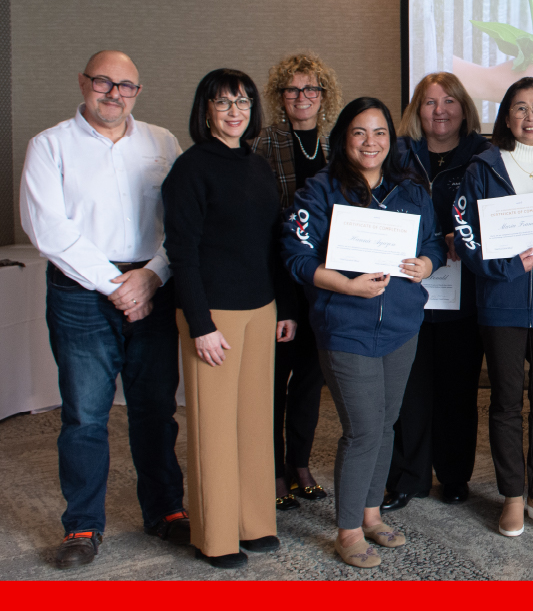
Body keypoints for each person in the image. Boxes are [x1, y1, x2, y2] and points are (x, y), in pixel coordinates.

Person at [19, 50, 189, 569]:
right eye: (103, 82)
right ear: (83, 83)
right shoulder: (50, 146)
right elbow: (48, 228)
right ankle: (83, 525)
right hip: (80, 294)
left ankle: (166, 512)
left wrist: (152, 276)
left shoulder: (162, 142)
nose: (114, 94)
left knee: (155, 410)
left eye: (126, 86)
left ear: (138, 91)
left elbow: (183, 220)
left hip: (153, 287)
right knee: (85, 415)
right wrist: (116, 284)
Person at [282, 97, 445, 568]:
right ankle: (349, 529)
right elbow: (296, 256)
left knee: (386, 423)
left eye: (379, 133)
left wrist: (427, 262)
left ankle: (372, 515)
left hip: (400, 326)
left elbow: (433, 240)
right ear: (343, 139)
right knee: (362, 429)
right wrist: (346, 286)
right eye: (359, 132)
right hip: (345, 327)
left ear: (390, 141)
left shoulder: (411, 190)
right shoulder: (320, 191)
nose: (370, 142)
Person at [163, 68, 299, 568]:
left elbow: (270, 243)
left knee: (254, 423)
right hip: (213, 315)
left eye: (242, 102)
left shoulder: (257, 165)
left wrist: (283, 308)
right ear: (206, 111)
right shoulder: (190, 169)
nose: (234, 111)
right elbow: (182, 251)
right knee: (214, 428)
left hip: (261, 310)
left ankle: (254, 522)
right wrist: (200, 324)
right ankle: (216, 534)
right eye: (223, 103)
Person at [454, 77, 533, 537]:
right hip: (500, 302)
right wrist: (502, 267)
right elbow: (465, 234)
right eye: (520, 108)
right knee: (507, 402)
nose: (531, 117)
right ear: (506, 116)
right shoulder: (482, 168)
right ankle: (512, 495)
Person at [382, 72, 490, 510]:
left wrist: (464, 239)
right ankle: (408, 477)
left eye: (449, 101)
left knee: (458, 388)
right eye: (429, 102)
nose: (439, 110)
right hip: (407, 287)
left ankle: (454, 474)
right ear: (416, 110)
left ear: (464, 108)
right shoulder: (398, 154)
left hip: (463, 292)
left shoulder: (484, 155)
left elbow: (494, 213)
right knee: (409, 387)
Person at [252, 52, 345, 511]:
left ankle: (300, 464)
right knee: (274, 380)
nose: (302, 98)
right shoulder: (262, 144)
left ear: (323, 96)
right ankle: (271, 470)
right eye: (293, 90)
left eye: (311, 90)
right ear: (279, 96)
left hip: (328, 279)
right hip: (281, 276)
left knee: (311, 378)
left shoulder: (339, 142)